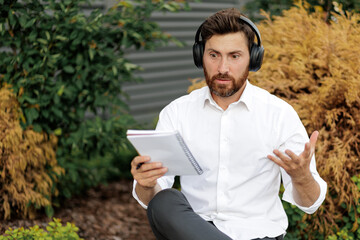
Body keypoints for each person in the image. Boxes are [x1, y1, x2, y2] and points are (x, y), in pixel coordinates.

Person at [130, 8, 327, 240]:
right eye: (214, 55)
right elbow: (150, 197)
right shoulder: (177, 113)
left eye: (234, 56)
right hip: (194, 230)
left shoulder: (279, 115)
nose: (223, 68)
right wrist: (145, 184)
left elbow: (310, 204)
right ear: (200, 55)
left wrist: (302, 177)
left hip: (258, 234)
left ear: (253, 59)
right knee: (163, 202)